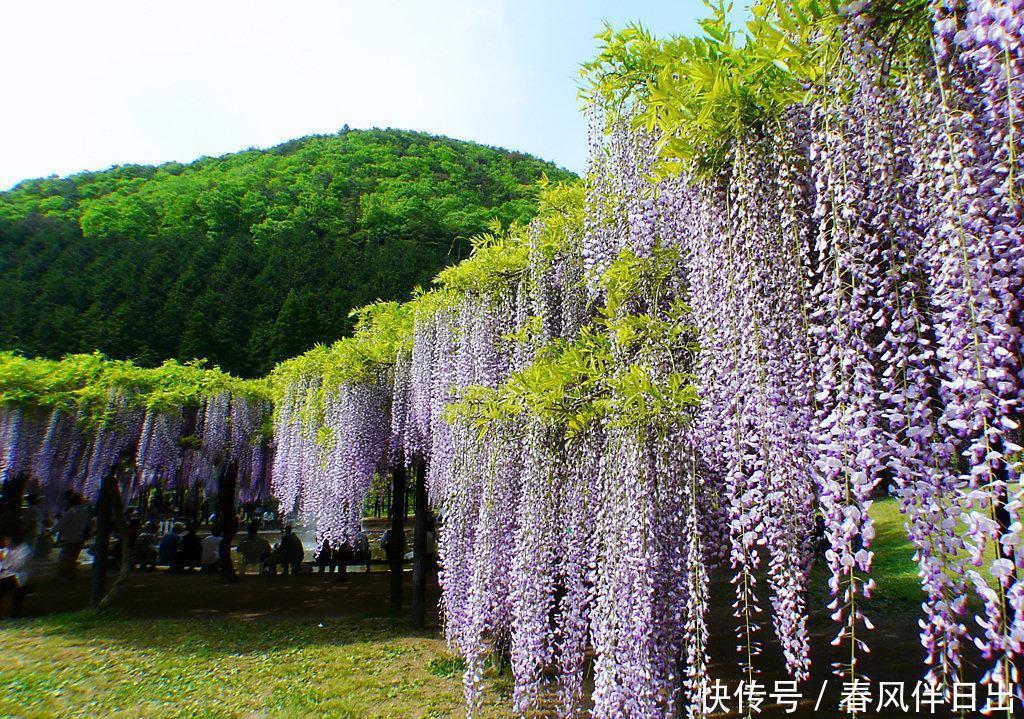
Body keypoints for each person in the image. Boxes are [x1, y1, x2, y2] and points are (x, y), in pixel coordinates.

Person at [53, 492, 90, 579]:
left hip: (70, 537)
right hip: (80, 537)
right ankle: (71, 573)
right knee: (73, 556)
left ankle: (66, 574)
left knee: (66, 557)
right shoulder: (85, 511)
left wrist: (51, 532)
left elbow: (61, 524)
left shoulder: (71, 512)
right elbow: (88, 523)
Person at [0, 535, 32, 618]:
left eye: (7, 539)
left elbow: (18, 566)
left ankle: (15, 613)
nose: (5, 542)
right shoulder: (4, 550)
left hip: (18, 577)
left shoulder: (24, 549)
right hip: (5, 576)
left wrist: (4, 561)